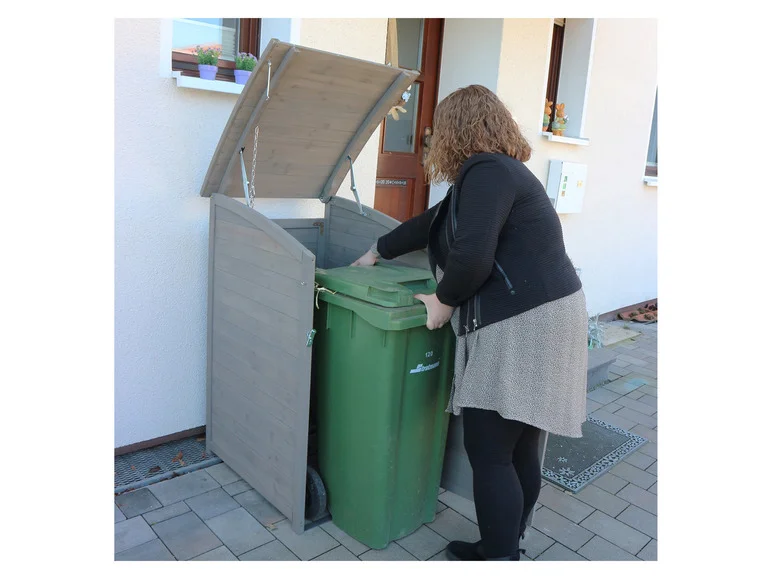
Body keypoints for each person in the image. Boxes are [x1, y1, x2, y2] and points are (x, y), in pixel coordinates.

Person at [352, 85, 588, 561]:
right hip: (547, 316)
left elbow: (473, 256)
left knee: (491, 449)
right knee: (519, 443)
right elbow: (431, 225)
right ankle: (509, 540)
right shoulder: (493, 177)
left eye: (439, 128)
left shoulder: (487, 172)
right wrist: (377, 250)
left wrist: (442, 301)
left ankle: (498, 554)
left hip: (525, 324)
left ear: (455, 130)